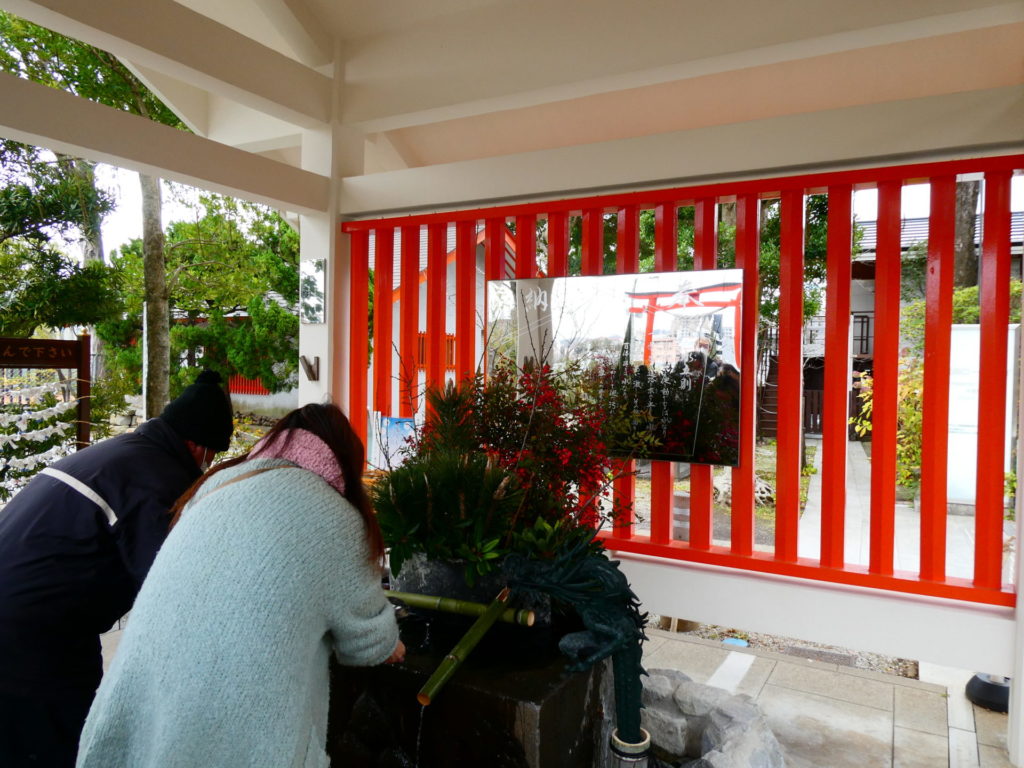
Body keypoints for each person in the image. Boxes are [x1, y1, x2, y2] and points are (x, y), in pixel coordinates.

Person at [76, 402, 404, 768]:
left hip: (141, 700)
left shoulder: (217, 484)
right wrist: (391, 641)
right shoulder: (337, 516)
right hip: (229, 729)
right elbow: (366, 644)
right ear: (345, 459)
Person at [0, 369, 234, 768]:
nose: (209, 464)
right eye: (212, 455)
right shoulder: (158, 480)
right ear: (196, 445)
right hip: (33, 629)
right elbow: (169, 584)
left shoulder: (120, 453)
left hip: (29, 610)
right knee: (58, 740)